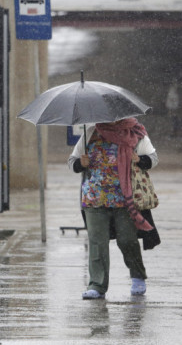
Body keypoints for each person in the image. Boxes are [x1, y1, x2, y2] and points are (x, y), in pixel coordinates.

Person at [68, 117, 158, 299]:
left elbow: (153, 159)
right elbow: (72, 161)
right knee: (97, 242)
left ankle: (137, 275)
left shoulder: (135, 133)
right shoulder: (91, 132)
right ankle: (97, 285)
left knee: (127, 240)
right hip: (94, 198)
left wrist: (139, 159)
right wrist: (80, 163)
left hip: (125, 199)